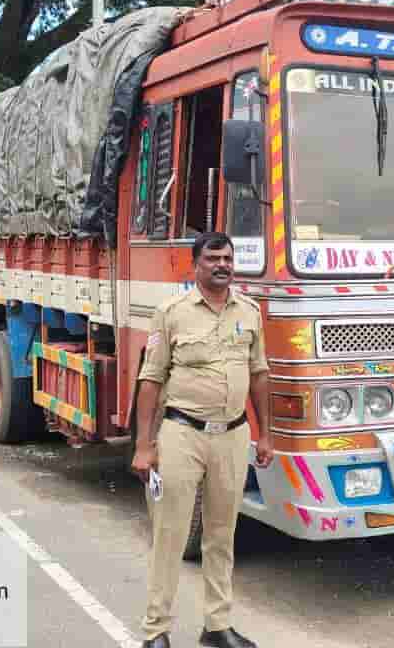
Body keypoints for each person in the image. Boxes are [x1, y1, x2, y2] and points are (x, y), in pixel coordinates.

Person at [130, 231, 273, 648]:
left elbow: (259, 374)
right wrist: (144, 445)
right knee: (170, 534)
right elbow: (151, 380)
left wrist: (265, 434)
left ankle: (217, 626)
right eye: (212, 258)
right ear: (196, 264)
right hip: (181, 434)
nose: (222, 265)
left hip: (232, 435)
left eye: (227, 258)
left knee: (221, 535)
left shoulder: (249, 312)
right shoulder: (171, 312)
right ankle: (156, 631)